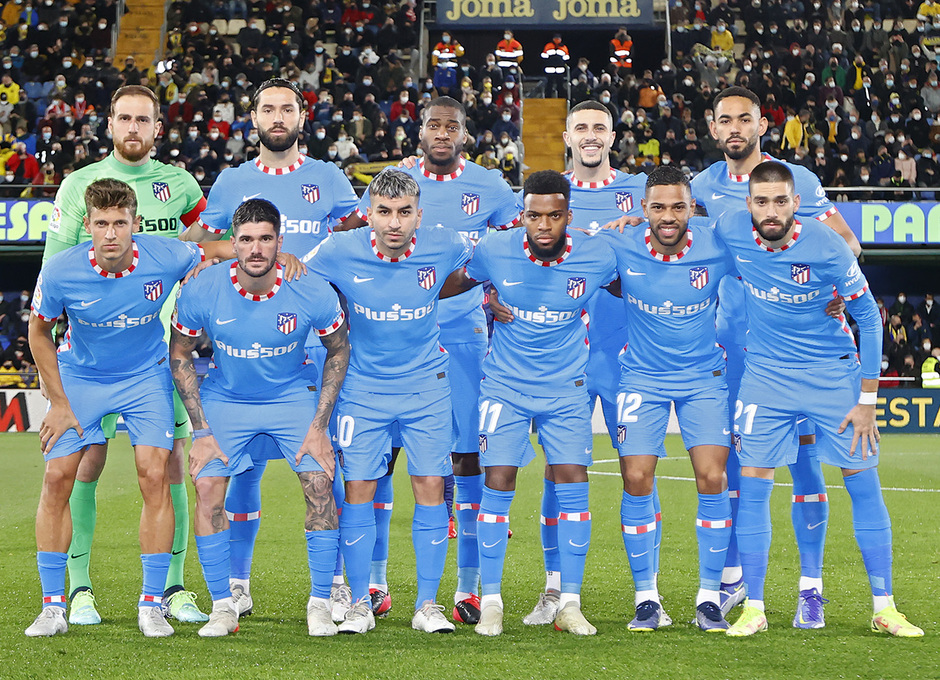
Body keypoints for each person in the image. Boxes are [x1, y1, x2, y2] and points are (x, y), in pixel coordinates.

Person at [716, 161, 923, 638]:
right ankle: (756, 608)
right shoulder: (730, 227)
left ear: (796, 203)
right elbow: (679, 238)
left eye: (780, 201)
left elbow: (870, 320)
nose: (771, 211)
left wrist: (868, 399)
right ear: (748, 204)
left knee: (863, 484)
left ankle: (884, 606)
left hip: (833, 377)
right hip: (765, 378)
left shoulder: (827, 244)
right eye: (761, 201)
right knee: (754, 489)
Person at [345, 97, 520, 625]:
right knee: (382, 463)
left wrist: (494, 295)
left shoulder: (490, 186)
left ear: (466, 134)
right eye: (433, 125)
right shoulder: (392, 182)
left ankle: (466, 587)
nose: (442, 133)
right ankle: (374, 584)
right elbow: (350, 240)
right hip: (385, 340)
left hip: (463, 338)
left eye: (453, 126)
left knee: (465, 460)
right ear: (418, 131)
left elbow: (514, 249)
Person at [690, 86, 861, 627]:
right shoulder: (700, 188)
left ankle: (810, 588)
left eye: (745, 119)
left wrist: (832, 291)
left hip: (796, 352)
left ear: (762, 125)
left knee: (807, 466)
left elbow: (849, 245)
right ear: (713, 129)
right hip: (731, 353)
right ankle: (738, 580)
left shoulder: (797, 182)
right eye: (725, 120)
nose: (735, 127)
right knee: (740, 467)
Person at [42, 85, 210, 627]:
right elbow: (57, 274)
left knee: (169, 466)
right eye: (124, 119)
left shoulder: (179, 183)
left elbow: (209, 244)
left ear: (157, 127)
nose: (133, 128)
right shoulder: (77, 186)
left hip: (161, 357)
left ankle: (173, 589)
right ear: (109, 124)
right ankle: (79, 589)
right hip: (93, 352)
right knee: (83, 462)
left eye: (144, 119)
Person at [193, 78, 360, 621]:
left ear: (301, 116)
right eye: (268, 107)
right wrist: (268, 255)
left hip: (314, 345)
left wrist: (304, 268)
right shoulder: (233, 180)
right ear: (254, 116)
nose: (278, 115)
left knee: (322, 469)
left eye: (287, 107)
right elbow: (206, 243)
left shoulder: (329, 176)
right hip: (246, 343)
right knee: (240, 473)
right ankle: (236, 585)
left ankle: (334, 583)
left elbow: (355, 235)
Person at [442, 169, 617, 637]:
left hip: (566, 392)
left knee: (573, 486)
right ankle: (493, 600)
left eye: (554, 216)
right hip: (505, 388)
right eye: (535, 216)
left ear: (568, 217)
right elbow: (449, 284)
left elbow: (642, 281)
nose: (544, 226)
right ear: (521, 216)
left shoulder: (596, 256)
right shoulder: (495, 251)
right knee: (497, 480)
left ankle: (570, 602)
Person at [169, 198, 350, 638]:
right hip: (227, 398)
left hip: (291, 395)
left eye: (265, 239)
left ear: (279, 243)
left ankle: (321, 603)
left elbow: (339, 348)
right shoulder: (203, 287)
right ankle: (222, 607)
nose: (255, 249)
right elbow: (179, 353)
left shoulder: (309, 287)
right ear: (233, 243)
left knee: (321, 483)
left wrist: (320, 427)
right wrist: (202, 431)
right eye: (246, 239)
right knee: (208, 487)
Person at [306, 168, 473, 635]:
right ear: (368, 215)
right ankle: (359, 603)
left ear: (420, 216)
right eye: (384, 213)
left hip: (427, 387)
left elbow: (492, 260)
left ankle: (427, 605)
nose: (394, 223)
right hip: (362, 390)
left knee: (431, 491)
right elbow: (293, 272)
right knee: (358, 492)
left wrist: (495, 289)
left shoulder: (445, 245)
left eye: (404, 213)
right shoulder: (340, 250)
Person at [510, 101, 648, 627]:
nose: (590, 136)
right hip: (558, 357)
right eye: (581, 128)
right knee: (557, 473)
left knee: (640, 470)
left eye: (599, 128)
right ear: (566, 136)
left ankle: (646, 594)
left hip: (624, 356)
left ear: (614, 135)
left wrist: (640, 220)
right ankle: (554, 590)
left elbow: (695, 222)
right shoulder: (546, 196)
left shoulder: (639, 193)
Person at [603, 166, 734, 632]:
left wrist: (830, 297)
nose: (668, 216)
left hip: (703, 377)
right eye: (658, 206)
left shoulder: (718, 243)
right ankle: (647, 598)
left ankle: (708, 598)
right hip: (641, 377)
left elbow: (771, 263)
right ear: (642, 210)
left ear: (691, 208)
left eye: (678, 206)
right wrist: (495, 296)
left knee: (712, 476)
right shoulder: (618, 243)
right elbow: (565, 260)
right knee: (636, 478)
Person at [541, 34, 570, 99]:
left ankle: (559, 98)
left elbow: (567, 58)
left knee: (558, 86)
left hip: (558, 70)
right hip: (552, 70)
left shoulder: (562, 47)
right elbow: (544, 56)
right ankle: (550, 98)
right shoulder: (551, 46)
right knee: (550, 85)